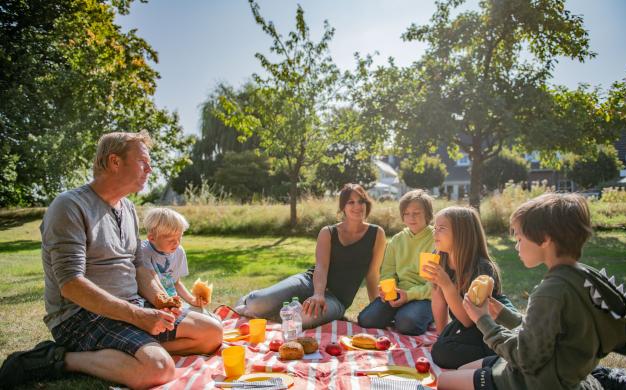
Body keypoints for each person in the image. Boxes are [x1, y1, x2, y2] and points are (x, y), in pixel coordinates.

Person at [0, 131, 222, 389]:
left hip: (131, 306)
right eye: (143, 162)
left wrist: (159, 299)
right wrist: (139, 316)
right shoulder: (68, 207)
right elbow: (71, 284)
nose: (150, 169)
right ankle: (58, 358)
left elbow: (139, 266)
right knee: (158, 370)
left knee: (212, 333)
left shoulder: (127, 208)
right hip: (81, 316)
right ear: (115, 162)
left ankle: (134, 347)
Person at [438, 193, 626, 390]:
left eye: (519, 239)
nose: (516, 247)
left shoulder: (550, 292)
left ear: (544, 239)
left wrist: (483, 320)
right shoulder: (582, 276)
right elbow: (541, 333)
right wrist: (502, 314)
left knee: (443, 382)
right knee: (464, 368)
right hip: (557, 370)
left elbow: (524, 358)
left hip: (534, 380)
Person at [235, 183, 386, 328]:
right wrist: (318, 294)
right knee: (256, 303)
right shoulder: (328, 232)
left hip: (336, 300)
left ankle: (274, 314)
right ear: (343, 208)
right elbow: (321, 266)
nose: (357, 206)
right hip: (308, 283)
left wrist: (376, 310)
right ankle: (251, 301)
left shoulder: (377, 234)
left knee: (301, 319)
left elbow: (372, 275)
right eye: (350, 202)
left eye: (361, 201)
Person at [424, 206, 516, 369]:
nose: (435, 232)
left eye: (442, 228)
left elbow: (468, 320)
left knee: (442, 352)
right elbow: (438, 300)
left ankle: (498, 355)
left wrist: (447, 284)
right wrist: (440, 335)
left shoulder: (482, 268)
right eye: (435, 227)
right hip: (465, 322)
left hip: (489, 328)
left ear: (461, 235)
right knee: (441, 345)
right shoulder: (440, 256)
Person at [357, 189, 435, 335]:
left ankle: (421, 315)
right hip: (398, 293)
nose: (411, 217)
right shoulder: (397, 240)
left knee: (406, 324)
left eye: (416, 213)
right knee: (366, 320)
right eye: (406, 213)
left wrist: (409, 295)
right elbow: (388, 272)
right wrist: (389, 291)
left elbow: (436, 285)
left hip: (426, 297)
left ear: (428, 214)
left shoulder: (437, 239)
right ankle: (402, 312)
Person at [140, 208, 205, 309]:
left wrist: (192, 300)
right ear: (152, 238)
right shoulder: (143, 252)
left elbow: (176, 283)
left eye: (179, 237)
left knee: (212, 319)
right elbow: (151, 282)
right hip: (151, 303)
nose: (177, 243)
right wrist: (167, 301)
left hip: (173, 302)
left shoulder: (179, 251)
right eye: (171, 240)